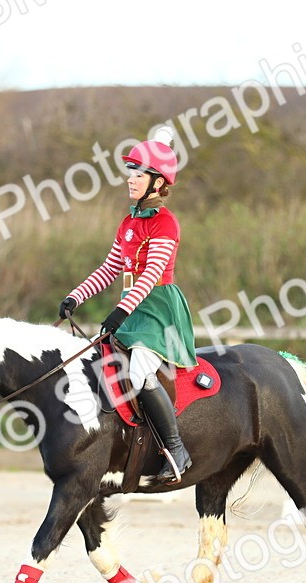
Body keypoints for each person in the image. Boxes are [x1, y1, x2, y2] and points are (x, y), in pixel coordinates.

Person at [59, 127, 197, 482]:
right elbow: (110, 269)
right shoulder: (129, 223)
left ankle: (176, 449)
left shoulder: (166, 223)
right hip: (132, 308)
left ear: (157, 182)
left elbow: (151, 274)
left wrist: (120, 311)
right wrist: (75, 296)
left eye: (138, 173)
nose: (130, 179)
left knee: (137, 373)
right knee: (99, 366)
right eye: (130, 172)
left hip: (158, 311)